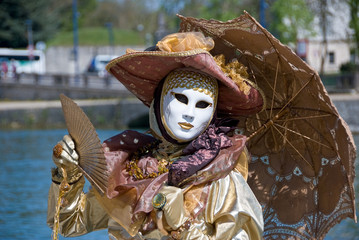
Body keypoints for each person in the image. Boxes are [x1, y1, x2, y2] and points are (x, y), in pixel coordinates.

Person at [47, 32, 265, 239]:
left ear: (212, 113)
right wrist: (68, 174)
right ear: (159, 102)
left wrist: (182, 226)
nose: (189, 114)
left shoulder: (220, 178)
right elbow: (70, 224)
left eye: (202, 105)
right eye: (181, 99)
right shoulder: (129, 167)